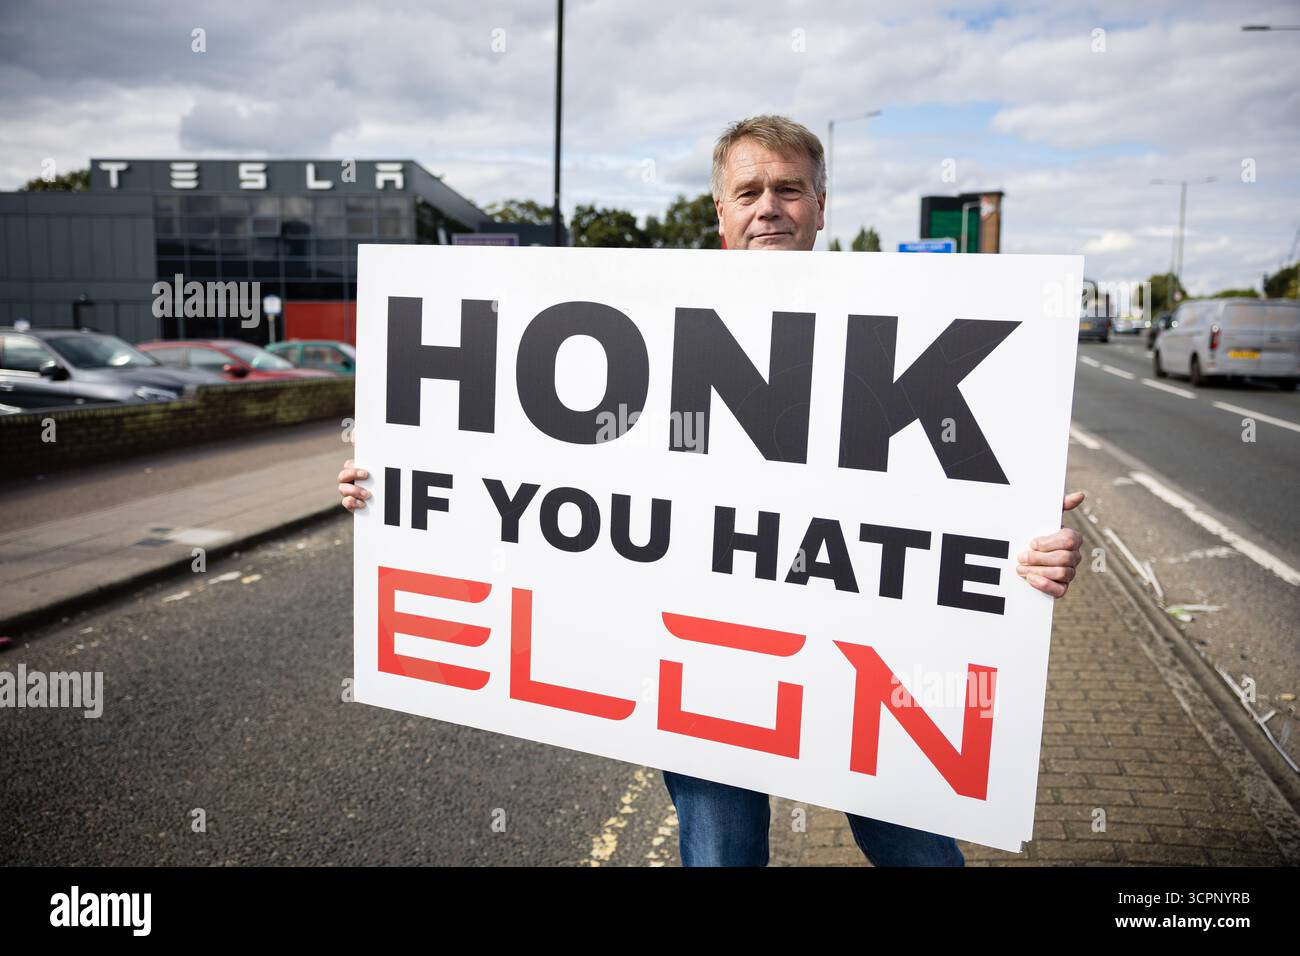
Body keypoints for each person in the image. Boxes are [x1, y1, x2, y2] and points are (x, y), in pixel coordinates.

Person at [337, 114, 1085, 867]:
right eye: (750, 191)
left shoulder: (906, 316)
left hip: (863, 655)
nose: (770, 207)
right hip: (709, 661)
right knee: (720, 851)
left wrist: (1026, 545)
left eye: (790, 189)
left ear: (822, 207)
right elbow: (560, 468)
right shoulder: (657, 321)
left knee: (914, 848)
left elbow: (948, 495)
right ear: (721, 214)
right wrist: (397, 476)